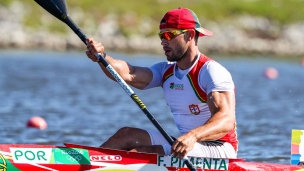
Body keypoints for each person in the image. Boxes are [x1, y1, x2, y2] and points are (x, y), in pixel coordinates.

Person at [85, 7, 238, 159]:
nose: (163, 42)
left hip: (219, 148)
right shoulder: (166, 71)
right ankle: (84, 164)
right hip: (187, 142)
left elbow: (226, 120)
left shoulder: (210, 71)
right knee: (125, 135)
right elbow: (129, 73)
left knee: (140, 154)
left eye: (169, 35)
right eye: (161, 36)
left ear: (190, 35)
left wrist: (193, 136)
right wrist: (101, 57)